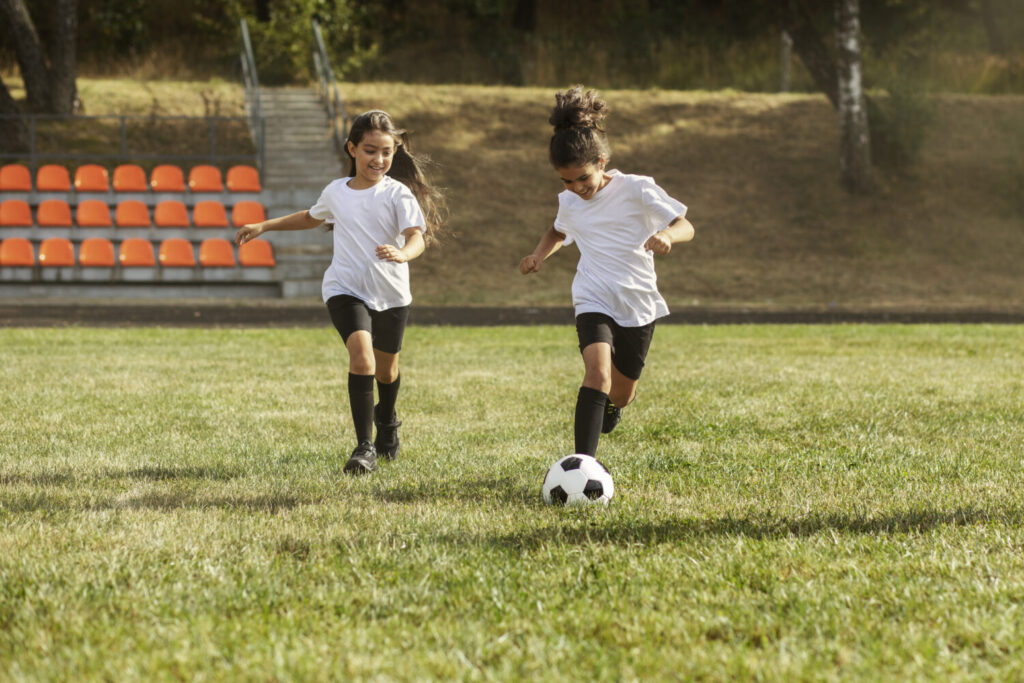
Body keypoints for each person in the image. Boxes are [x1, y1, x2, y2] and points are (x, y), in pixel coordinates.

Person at [235, 110, 446, 475]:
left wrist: (403, 253)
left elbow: (416, 237)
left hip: (391, 294)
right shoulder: (336, 191)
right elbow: (311, 216)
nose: (378, 160)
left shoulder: (399, 194)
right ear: (351, 149)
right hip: (344, 288)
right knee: (360, 355)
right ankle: (364, 448)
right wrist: (264, 226)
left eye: (386, 152)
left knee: (387, 371)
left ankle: (388, 418)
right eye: (369, 151)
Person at [519, 86, 695, 460]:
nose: (576, 188)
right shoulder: (569, 201)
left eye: (583, 178)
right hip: (593, 295)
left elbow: (686, 225)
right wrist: (538, 255)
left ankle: (612, 408)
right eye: (566, 181)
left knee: (621, 392)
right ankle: (584, 465)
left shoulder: (637, 189)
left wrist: (667, 235)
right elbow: (558, 230)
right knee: (597, 375)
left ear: (601, 162)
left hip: (636, 300)